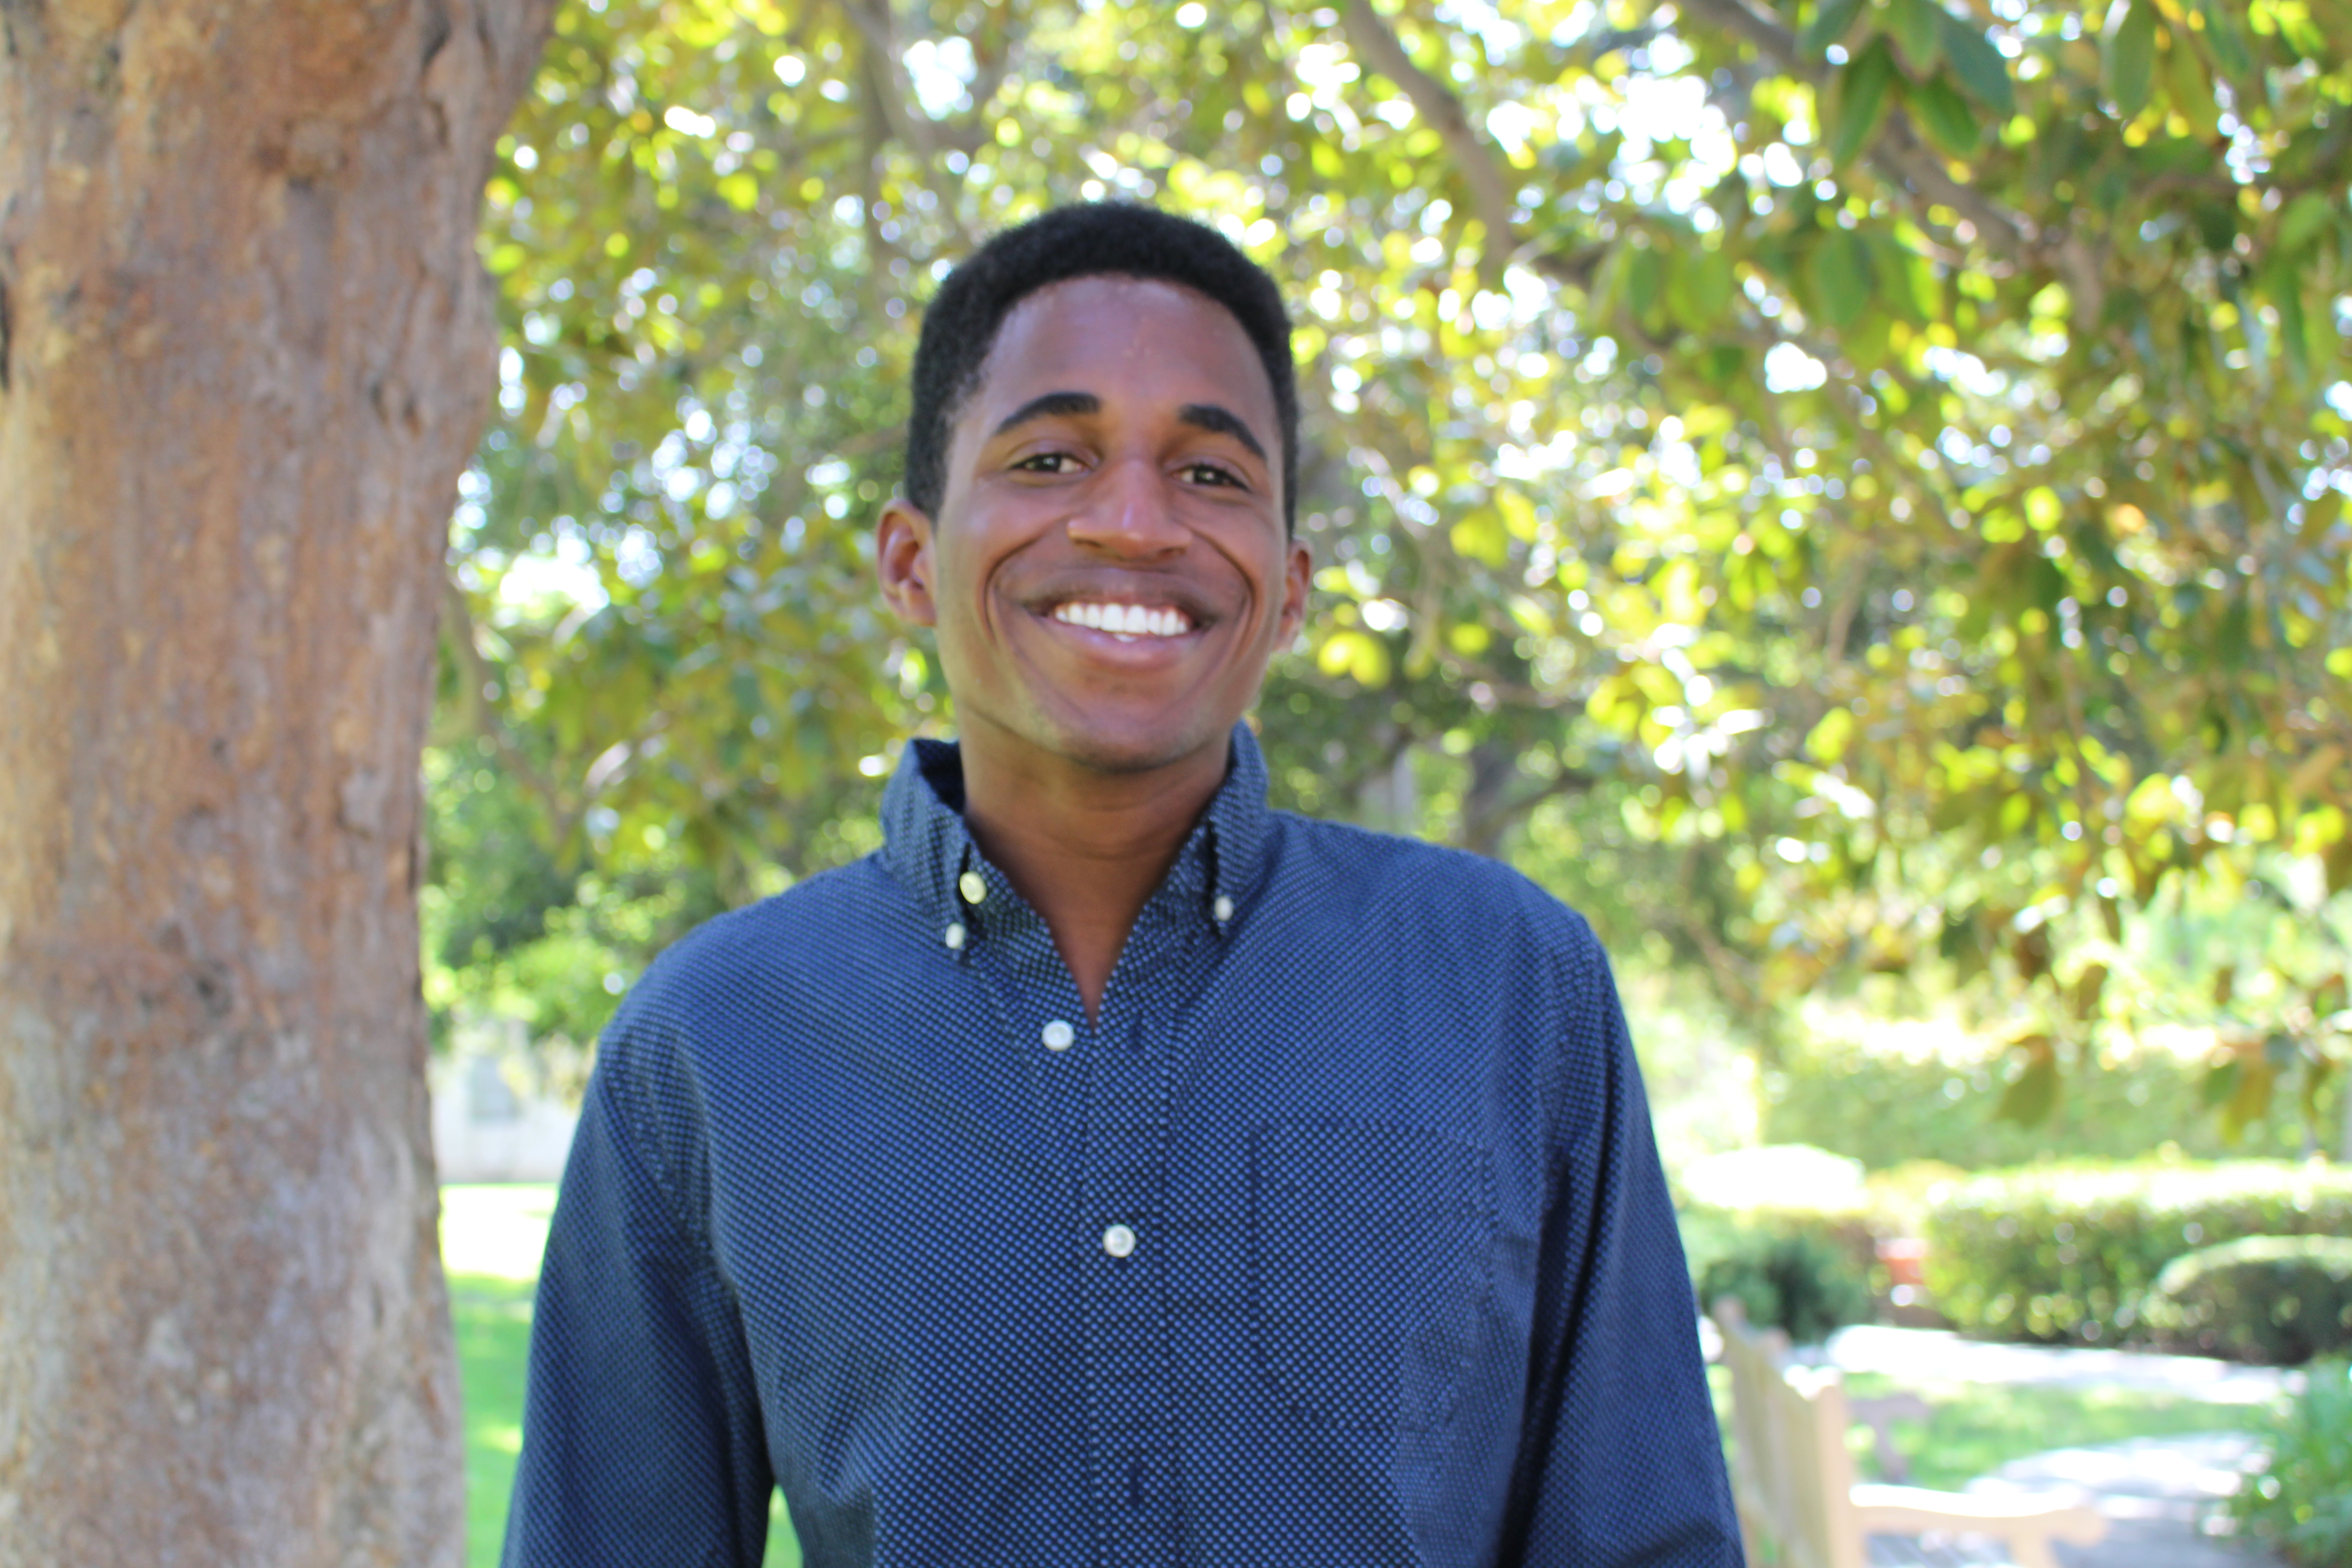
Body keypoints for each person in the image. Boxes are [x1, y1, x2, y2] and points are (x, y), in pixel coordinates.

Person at [502, 201, 1741, 1568]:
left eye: (1212, 475)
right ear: (913, 562)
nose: (1137, 523)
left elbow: (1645, 1539)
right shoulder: (711, 1045)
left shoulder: (1512, 985)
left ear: (1288, 588)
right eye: (1051, 456)